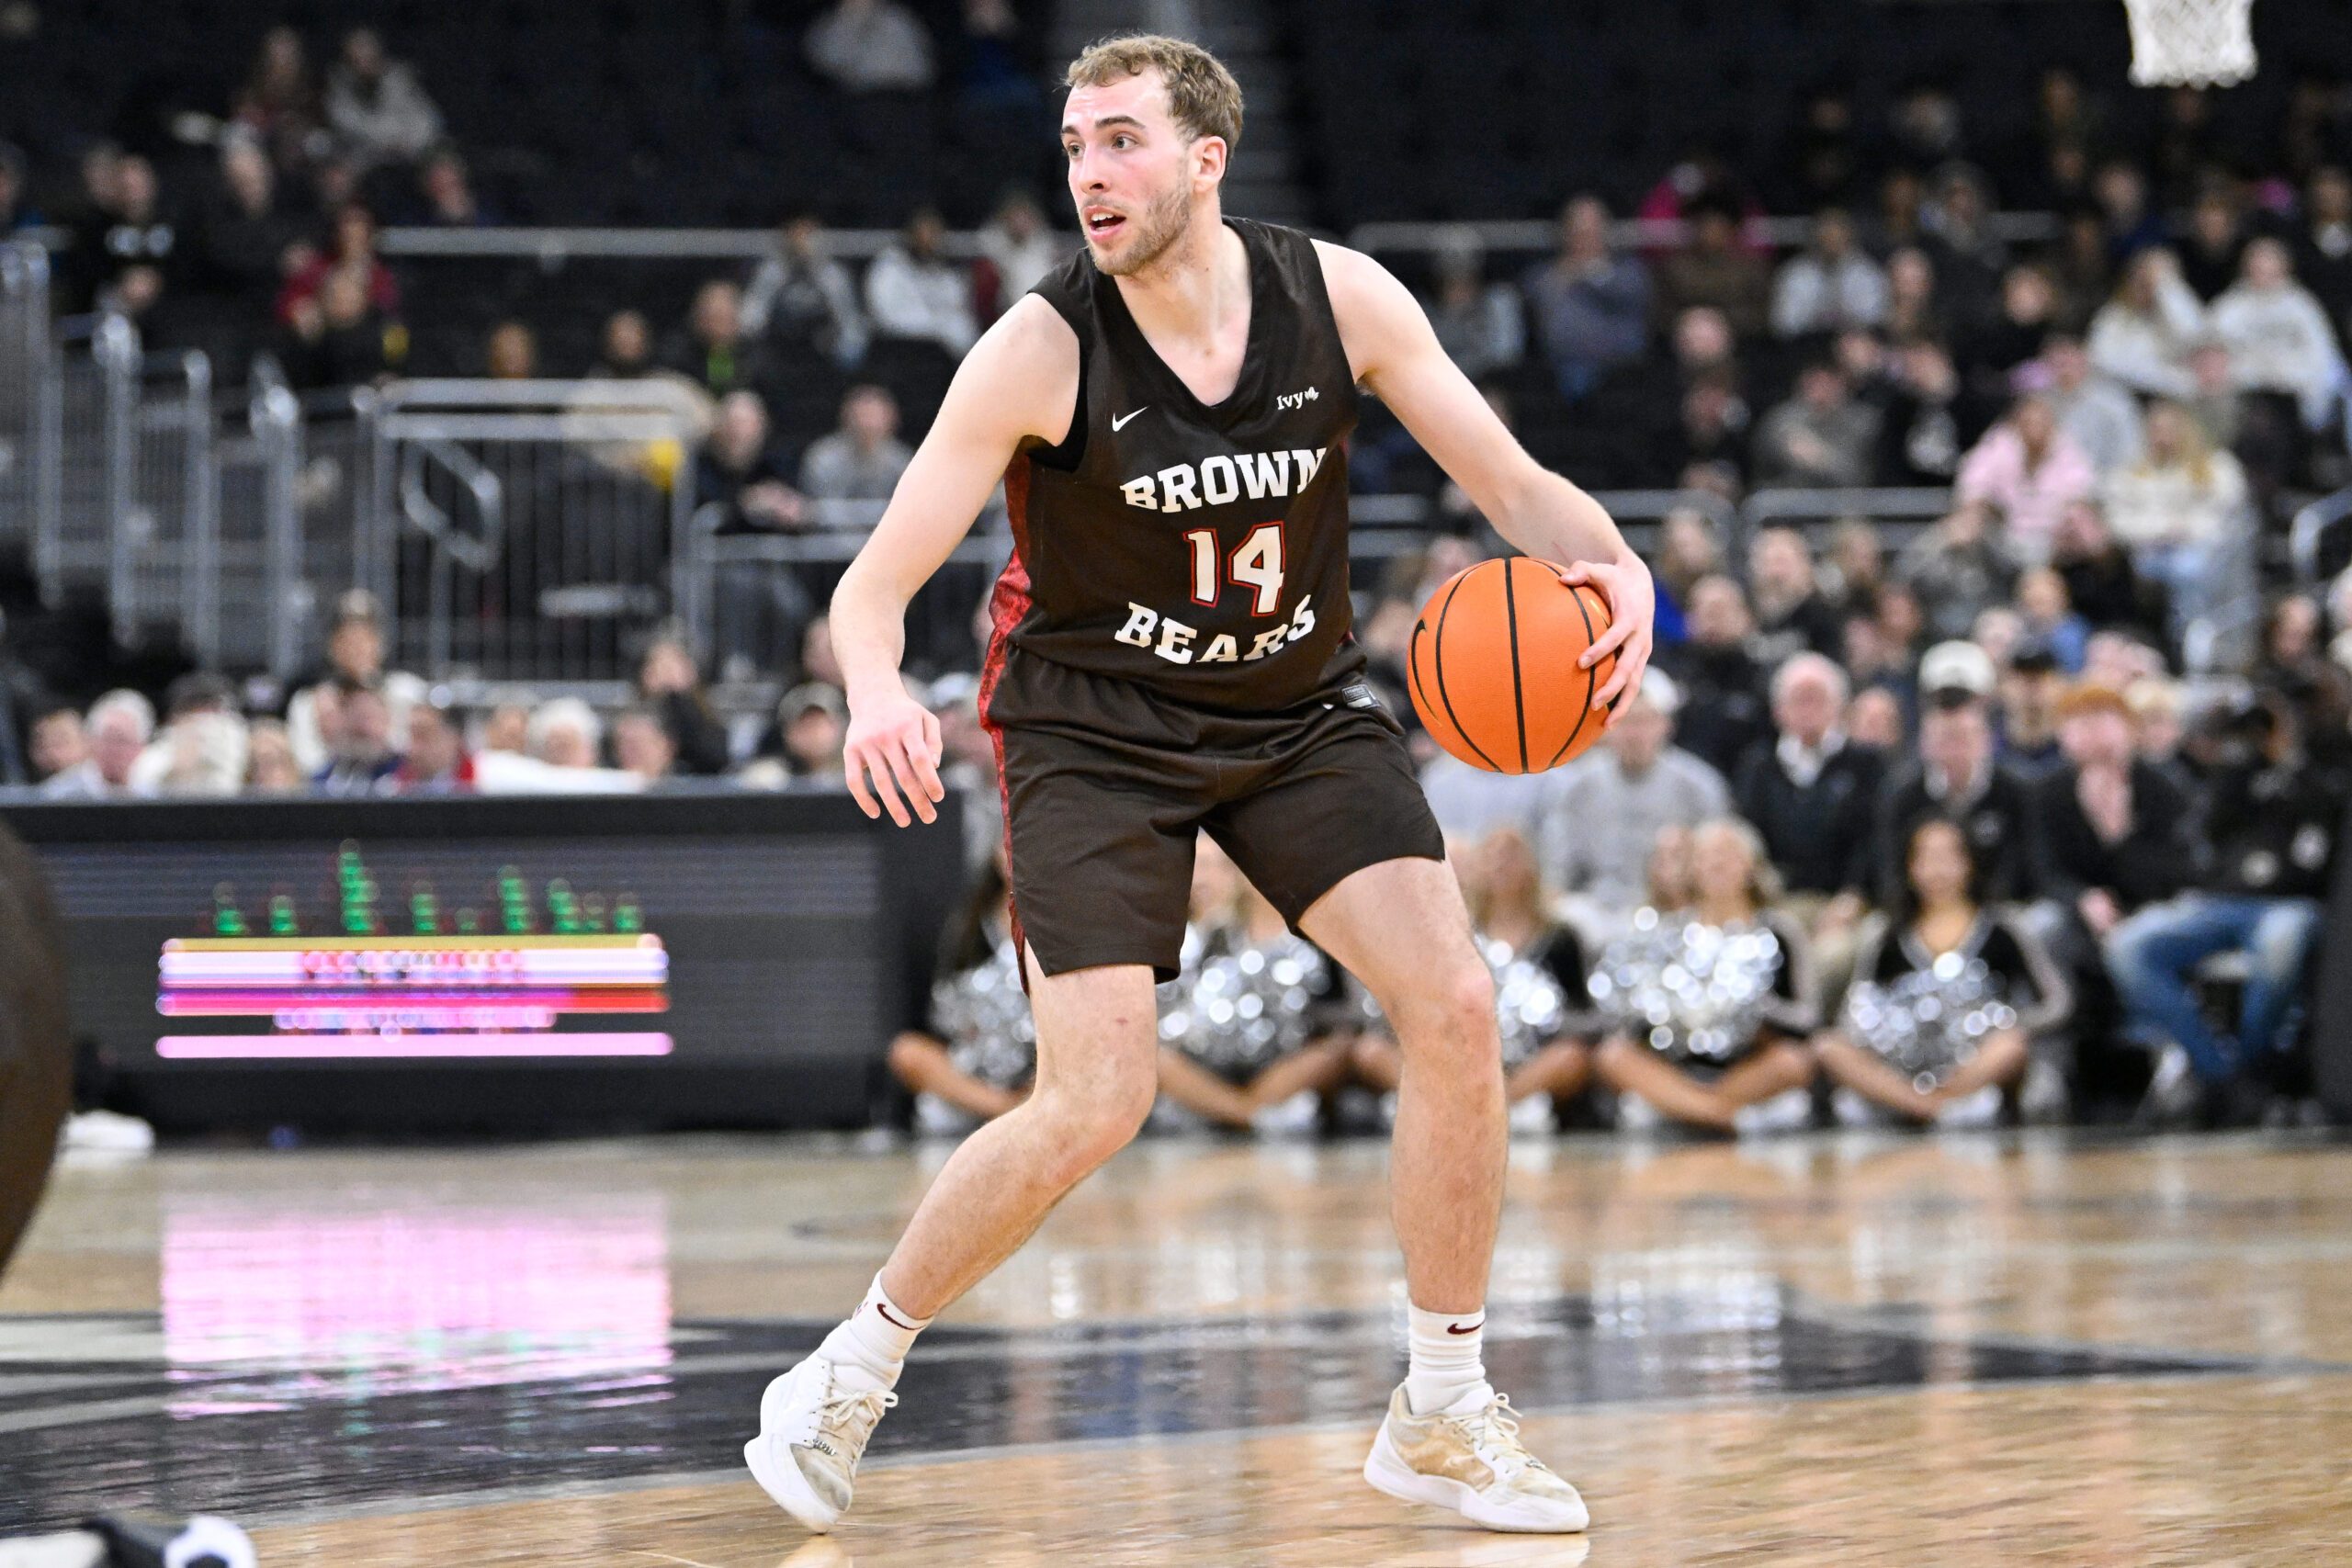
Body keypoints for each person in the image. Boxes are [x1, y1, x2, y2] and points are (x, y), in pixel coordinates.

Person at [752, 33, 1656, 1538]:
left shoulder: (1342, 298)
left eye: (1118, 142)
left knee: (1457, 1004)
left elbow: (1509, 485)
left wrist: (1611, 559)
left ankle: (1440, 1406)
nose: (1089, 175)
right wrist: (869, 693)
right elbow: (875, 584)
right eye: (1074, 149)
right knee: (1101, 1092)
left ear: (1205, 160)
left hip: (1293, 707)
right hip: (1092, 728)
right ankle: (853, 1366)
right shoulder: (1043, 347)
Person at [2109, 694, 2340, 1125]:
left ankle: (2243, 1068)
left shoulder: (2315, 775)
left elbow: (2315, 853)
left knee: (2280, 941)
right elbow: (2204, 839)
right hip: (2219, 903)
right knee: (2129, 946)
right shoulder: (2228, 777)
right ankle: (2223, 1073)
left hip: (2287, 904)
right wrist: (2234, 766)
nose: (2256, 740)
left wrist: (2289, 756)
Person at [1815, 817, 2070, 1126]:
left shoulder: (2003, 926)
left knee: (2010, 1048)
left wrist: (2007, 1023)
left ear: (1969, 863)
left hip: (1973, 1064)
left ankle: (1936, 1101)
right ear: (1909, 867)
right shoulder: (1885, 933)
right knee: (1829, 1047)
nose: (1938, 871)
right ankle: (1927, 1107)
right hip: (1901, 1064)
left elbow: (2057, 1002)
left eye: (1949, 858)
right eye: (1926, 858)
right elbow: (1852, 1011)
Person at [1589, 818, 1818, 1134]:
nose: (1718, 864)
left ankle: (1684, 1109)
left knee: (1795, 1062)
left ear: (1752, 866)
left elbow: (1807, 1017)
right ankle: (1720, 1115)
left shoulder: (1780, 931)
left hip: (1747, 1067)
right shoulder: (1666, 931)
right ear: (1692, 868)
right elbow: (1634, 1014)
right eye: (1707, 855)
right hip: (1675, 1065)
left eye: (1729, 854)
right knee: (1612, 1056)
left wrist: (1755, 1013)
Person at [1153, 839, 1362, 1133]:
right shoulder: (1215, 933)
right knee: (1157, 1059)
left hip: (1288, 1060)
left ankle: (1236, 1109)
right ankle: (1249, 1114)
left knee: (1336, 1051)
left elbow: (1340, 1013)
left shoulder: (1317, 933)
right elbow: (1183, 1002)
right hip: (1212, 1058)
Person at [1538, 670, 1724, 923]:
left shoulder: (1698, 785)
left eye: (1645, 721)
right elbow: (1557, 865)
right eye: (1624, 721)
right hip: (1597, 909)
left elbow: (1715, 856)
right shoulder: (1578, 786)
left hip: (1675, 908)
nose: (1635, 733)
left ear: (1666, 725)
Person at [1876, 643, 2038, 907]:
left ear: (1985, 739)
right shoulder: (1902, 794)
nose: (1954, 750)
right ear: (1924, 743)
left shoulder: (2016, 789)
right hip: (1921, 911)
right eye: (1943, 739)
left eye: (1963, 738)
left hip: (2002, 908)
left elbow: (2027, 865)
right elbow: (1890, 867)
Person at [888, 850, 1036, 1133]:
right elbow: (944, 1010)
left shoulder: (1070, 917)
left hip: (1047, 1070)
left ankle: (1032, 1109)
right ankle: (1009, 1111)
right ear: (994, 853)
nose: (1017, 850)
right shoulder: (970, 925)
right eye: (1008, 838)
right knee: (907, 1051)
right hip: (980, 1076)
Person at [2100, 398, 2249, 641]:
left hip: (2204, 550)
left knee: (2186, 569)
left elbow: (2225, 516)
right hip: (2148, 550)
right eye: (2157, 430)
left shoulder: (2216, 467)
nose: (2164, 437)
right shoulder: (2132, 471)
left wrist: (2186, 530)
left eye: (2171, 429)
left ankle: (2187, 639)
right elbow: (2117, 520)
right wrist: (2162, 529)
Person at [1521, 195, 1647, 400]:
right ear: (1565, 233)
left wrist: (1591, 272)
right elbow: (1538, 300)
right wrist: (1567, 273)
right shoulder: (1544, 275)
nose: (1585, 237)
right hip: (1561, 372)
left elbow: (1629, 300)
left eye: (1592, 230)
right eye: (1578, 231)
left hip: (1620, 372)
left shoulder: (1630, 272)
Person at [323, 28, 443, 171]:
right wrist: (388, 141)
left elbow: (427, 120)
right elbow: (349, 124)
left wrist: (409, 143)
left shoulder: (400, 78)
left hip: (413, 156)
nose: (363, 62)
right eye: (356, 58)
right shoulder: (339, 87)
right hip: (367, 164)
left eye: (368, 55)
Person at [865, 207, 978, 357]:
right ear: (911, 234)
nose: (930, 239)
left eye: (935, 233)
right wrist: (932, 328)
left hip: (941, 353)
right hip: (901, 347)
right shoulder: (890, 265)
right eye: (924, 232)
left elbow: (962, 321)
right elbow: (883, 314)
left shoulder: (948, 275)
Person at [1770, 207, 1888, 338]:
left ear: (1848, 236)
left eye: (1836, 235)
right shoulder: (1795, 274)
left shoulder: (1867, 273)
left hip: (1854, 346)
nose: (1831, 241)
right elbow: (1784, 323)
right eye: (1826, 235)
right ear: (1815, 237)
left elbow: (1876, 319)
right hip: (1804, 348)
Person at [799, 385, 914, 505]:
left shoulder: (903, 461)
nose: (867, 424)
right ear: (846, 417)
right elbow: (815, 508)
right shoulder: (822, 458)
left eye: (874, 416)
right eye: (863, 415)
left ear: (892, 419)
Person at [40, 692, 156, 800]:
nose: (114, 750)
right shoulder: (57, 796)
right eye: (108, 739)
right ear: (91, 742)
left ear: (140, 747)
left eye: (123, 741)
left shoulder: (152, 797)